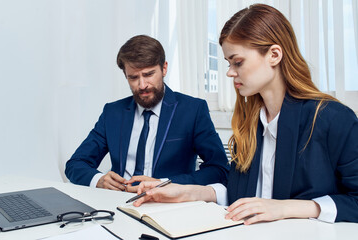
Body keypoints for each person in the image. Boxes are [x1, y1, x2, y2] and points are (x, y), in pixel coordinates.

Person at [133, 4, 358, 224]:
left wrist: (287, 207)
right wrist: (185, 192)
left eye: (238, 62)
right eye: (229, 63)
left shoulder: (334, 119)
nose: (230, 72)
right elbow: (238, 191)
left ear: (274, 54)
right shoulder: (250, 122)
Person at [65, 35, 229, 193]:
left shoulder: (193, 110)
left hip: (167, 206)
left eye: (149, 74)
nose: (142, 85)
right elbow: (75, 164)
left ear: (164, 68)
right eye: (133, 77)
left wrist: (164, 185)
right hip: (117, 203)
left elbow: (219, 169)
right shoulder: (112, 113)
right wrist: (99, 180)